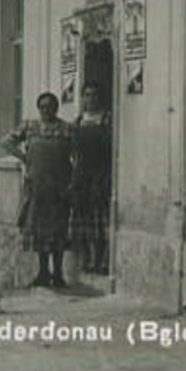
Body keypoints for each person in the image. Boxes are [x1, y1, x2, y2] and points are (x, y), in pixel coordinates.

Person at [2, 92, 72, 288]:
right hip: (37, 187)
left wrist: (71, 181)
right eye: (42, 106)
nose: (46, 110)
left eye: (50, 106)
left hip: (59, 188)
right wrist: (25, 158)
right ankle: (43, 273)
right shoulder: (30, 127)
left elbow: (77, 153)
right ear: (38, 108)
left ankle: (58, 273)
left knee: (58, 231)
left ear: (56, 108)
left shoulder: (66, 128)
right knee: (40, 232)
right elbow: (6, 142)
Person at [70, 80, 113, 275]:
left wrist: (106, 175)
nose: (91, 98)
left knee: (100, 219)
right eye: (87, 95)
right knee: (83, 220)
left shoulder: (106, 119)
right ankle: (87, 259)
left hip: (100, 174)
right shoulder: (78, 121)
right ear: (83, 98)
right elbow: (72, 150)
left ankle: (101, 261)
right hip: (82, 176)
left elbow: (111, 148)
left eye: (94, 95)